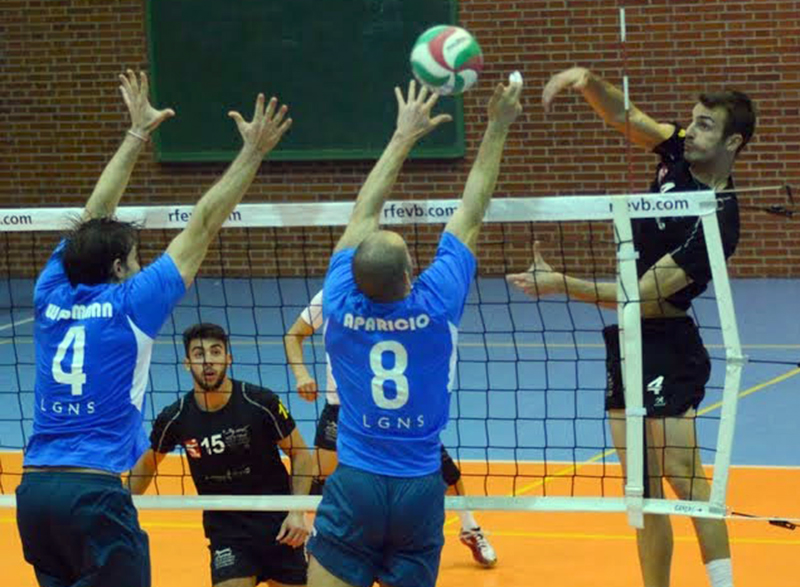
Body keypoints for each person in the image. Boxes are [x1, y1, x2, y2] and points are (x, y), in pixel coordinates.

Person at [16, 69, 293, 587]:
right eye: (135, 258)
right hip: (94, 496)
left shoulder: (49, 291)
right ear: (118, 268)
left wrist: (137, 132)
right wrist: (253, 152)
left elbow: (91, 219)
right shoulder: (132, 304)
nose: (141, 265)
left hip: (33, 497)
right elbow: (203, 223)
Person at [507, 66, 756, 587]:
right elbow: (628, 116)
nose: (691, 131)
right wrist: (586, 81)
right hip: (626, 342)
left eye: (705, 125)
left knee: (685, 479)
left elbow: (640, 293)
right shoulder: (678, 153)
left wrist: (559, 283)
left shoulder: (719, 220)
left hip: (668, 344)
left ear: (733, 142)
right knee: (640, 491)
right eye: (692, 120)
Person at [305, 78, 522, 587]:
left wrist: (402, 135)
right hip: (419, 488)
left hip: (355, 482)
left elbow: (363, 212)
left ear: (352, 275)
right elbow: (471, 211)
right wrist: (497, 126)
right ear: (409, 275)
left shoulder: (338, 303)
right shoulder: (437, 303)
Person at [284, 290, 497, 567]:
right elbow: (293, 335)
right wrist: (301, 373)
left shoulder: (398, 291)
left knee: (441, 468)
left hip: (394, 407)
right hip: (343, 406)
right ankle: (309, 532)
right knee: (320, 477)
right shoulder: (333, 293)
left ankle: (469, 527)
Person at [129, 323, 313, 587]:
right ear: (187, 363)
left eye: (215, 352)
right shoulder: (176, 418)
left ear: (228, 358)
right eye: (199, 354)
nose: (208, 361)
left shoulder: (261, 402)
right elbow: (147, 465)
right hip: (228, 532)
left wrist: (297, 511)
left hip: (279, 524)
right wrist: (120, 507)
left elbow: (302, 455)